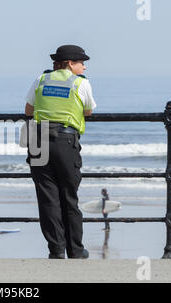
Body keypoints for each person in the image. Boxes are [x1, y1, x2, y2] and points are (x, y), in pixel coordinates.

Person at [25, 45, 97, 259]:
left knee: (47, 197)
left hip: (38, 139)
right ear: (69, 64)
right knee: (69, 196)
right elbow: (88, 110)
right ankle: (75, 249)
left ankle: (56, 250)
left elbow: (28, 110)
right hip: (65, 141)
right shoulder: (80, 83)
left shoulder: (41, 80)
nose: (84, 67)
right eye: (81, 63)